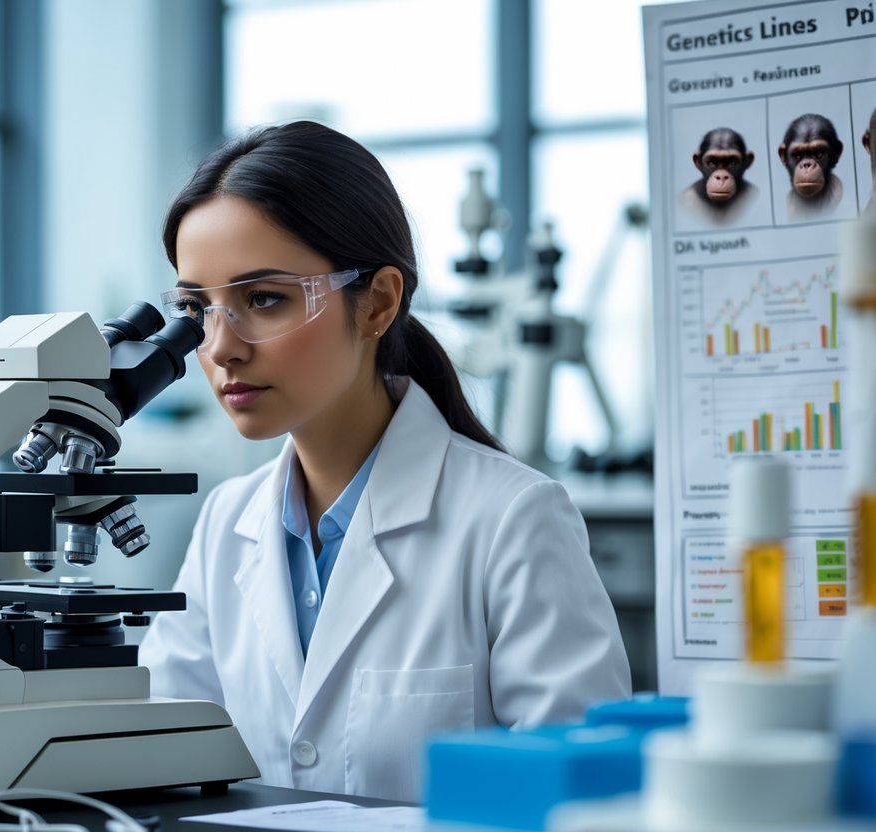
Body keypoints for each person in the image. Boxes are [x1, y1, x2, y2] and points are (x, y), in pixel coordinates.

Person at [139, 121, 631, 803]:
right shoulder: (226, 523)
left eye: (264, 299)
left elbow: (577, 799)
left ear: (376, 303)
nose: (220, 348)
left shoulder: (511, 519)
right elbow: (162, 766)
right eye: (196, 310)